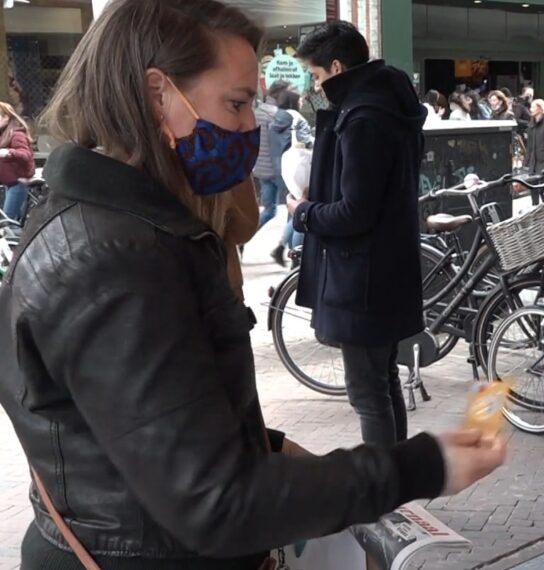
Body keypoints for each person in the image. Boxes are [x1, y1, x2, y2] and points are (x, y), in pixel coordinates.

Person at [0, 1, 506, 568]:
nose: (249, 126)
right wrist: (420, 467)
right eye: (237, 104)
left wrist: (265, 449)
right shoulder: (113, 255)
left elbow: (148, 422)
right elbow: (216, 500)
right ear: (156, 92)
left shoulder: (115, 227)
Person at [287, 21, 428, 449]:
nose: (314, 86)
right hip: (385, 270)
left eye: (315, 76)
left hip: (361, 279)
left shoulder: (363, 118)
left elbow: (355, 212)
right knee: (382, 383)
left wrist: (305, 212)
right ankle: (394, 481)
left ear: (335, 66)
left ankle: (382, 490)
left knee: (368, 393)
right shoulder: (388, 105)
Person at [270, 88, 313, 265]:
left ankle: (282, 248)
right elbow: (306, 141)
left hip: (284, 166)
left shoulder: (277, 117)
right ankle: (296, 256)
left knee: (294, 210)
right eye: (300, 99)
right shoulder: (296, 116)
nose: (302, 102)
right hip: (300, 167)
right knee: (302, 211)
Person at [252, 81, 285, 233]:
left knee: (269, 209)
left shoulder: (257, 112)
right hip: (275, 170)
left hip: (260, 168)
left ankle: (247, 235)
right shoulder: (276, 115)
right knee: (290, 210)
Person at [0, 102, 34, 222]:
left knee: (6, 222)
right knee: (13, 223)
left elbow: (25, 154)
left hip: (17, 184)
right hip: (8, 184)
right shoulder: (3, 135)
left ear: (6, 117)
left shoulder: (16, 134)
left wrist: (9, 152)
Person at [526, 98, 544, 206]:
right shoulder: (531, 124)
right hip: (533, 160)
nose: (531, 109)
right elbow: (529, 145)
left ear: (540, 108)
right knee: (533, 188)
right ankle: (535, 208)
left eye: (533, 107)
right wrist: (527, 161)